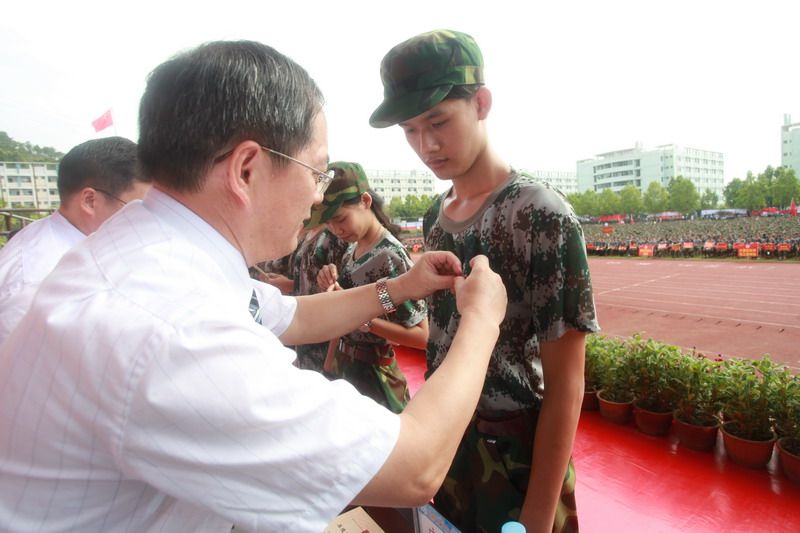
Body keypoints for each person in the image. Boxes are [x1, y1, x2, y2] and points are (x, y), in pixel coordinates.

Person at [0, 40, 508, 532]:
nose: (317, 196)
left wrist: (401, 286)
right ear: (246, 169)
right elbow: (415, 466)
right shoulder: (173, 325)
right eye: (317, 171)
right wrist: (482, 321)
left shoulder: (155, 250)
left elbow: (293, 315)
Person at [371, 30, 600, 533]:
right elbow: (441, 340)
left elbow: (566, 384)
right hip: (447, 447)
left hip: (517, 460)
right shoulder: (437, 216)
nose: (425, 145)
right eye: (410, 130)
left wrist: (539, 516)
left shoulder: (542, 215)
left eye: (438, 122)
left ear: (481, 103)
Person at [0, 136, 150, 344]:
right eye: (137, 208)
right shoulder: (36, 279)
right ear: (89, 201)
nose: (147, 221)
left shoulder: (69, 238)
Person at [316, 161, 427, 412]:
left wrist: (363, 319)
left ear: (365, 201)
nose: (336, 230)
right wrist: (329, 363)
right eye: (328, 224)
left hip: (376, 377)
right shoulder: (352, 250)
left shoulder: (390, 256)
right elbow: (342, 309)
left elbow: (422, 336)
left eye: (340, 219)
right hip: (347, 368)